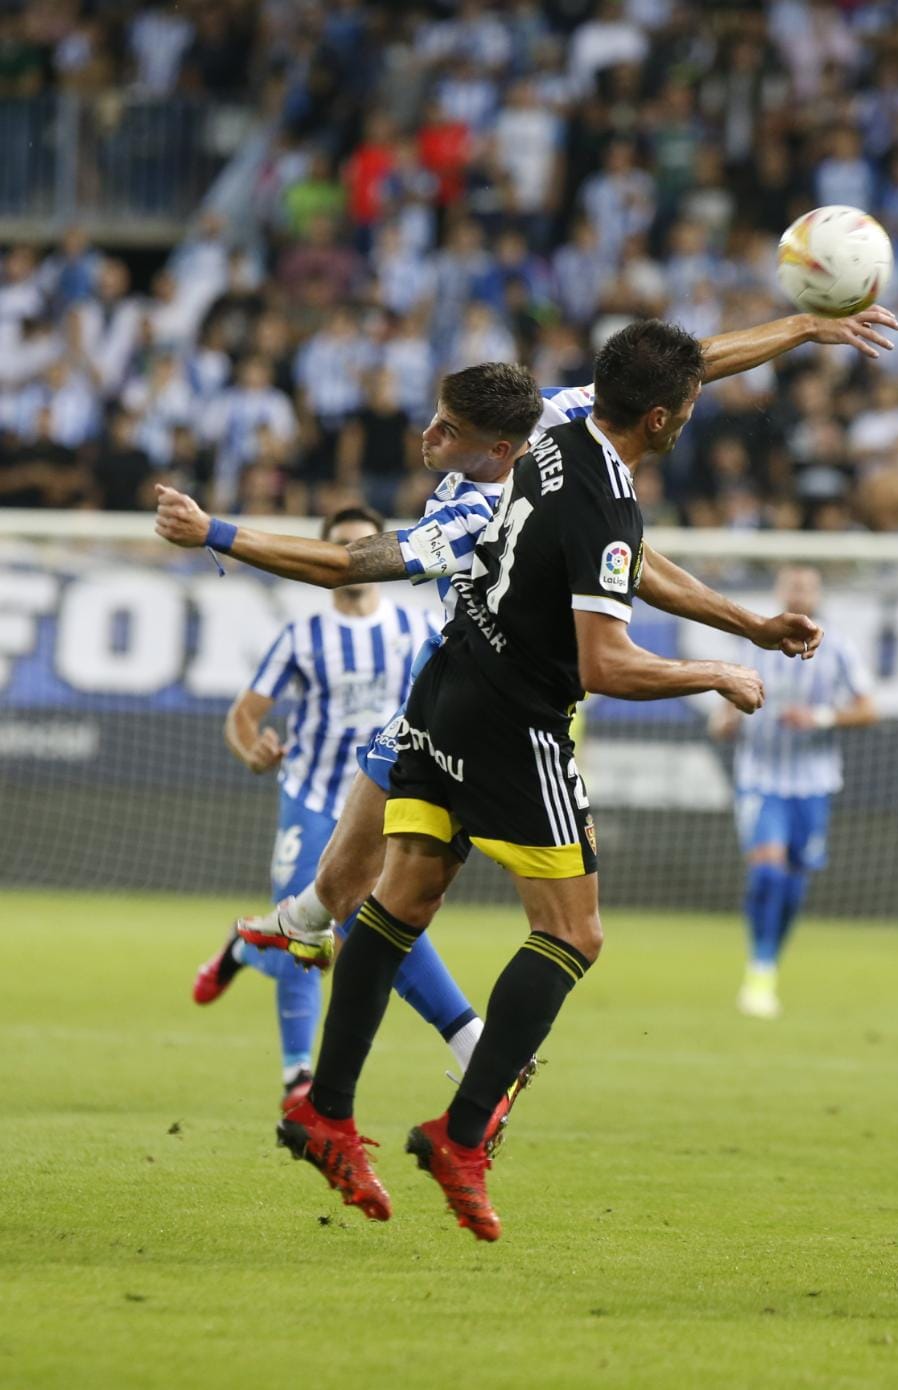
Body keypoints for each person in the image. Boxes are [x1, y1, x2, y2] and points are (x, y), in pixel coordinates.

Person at [269, 326, 822, 1240]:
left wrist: (803, 327)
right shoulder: (605, 496)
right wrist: (716, 669)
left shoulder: (554, 431)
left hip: (448, 684)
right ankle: (463, 1133)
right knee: (573, 932)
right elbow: (604, 662)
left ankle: (324, 1110)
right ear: (660, 419)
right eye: (682, 408)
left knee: (400, 897)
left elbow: (690, 380)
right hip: (515, 718)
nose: (689, 413)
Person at [153, 306, 898, 973]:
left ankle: (480, 1051)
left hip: (513, 707)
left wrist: (213, 531)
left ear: (501, 448)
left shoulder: (468, 517)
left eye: (449, 431)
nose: (427, 437)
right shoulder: (562, 424)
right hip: (452, 681)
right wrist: (801, 327)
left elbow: (345, 563)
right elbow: (685, 370)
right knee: (361, 890)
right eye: (435, 417)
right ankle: (324, 946)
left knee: (510, 921)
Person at [193, 505, 457, 1108]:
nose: (355, 556)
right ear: (327, 555)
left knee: (360, 932)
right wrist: (251, 750)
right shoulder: (302, 635)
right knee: (305, 934)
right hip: (310, 797)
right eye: (342, 546)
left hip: (382, 806)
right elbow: (243, 716)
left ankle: (240, 948)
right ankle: (297, 1078)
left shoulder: (414, 629)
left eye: (364, 544)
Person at [709, 565, 875, 1018]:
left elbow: (867, 709)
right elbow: (720, 712)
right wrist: (724, 721)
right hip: (760, 779)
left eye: (807, 586)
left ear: (817, 595)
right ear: (780, 593)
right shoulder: (750, 644)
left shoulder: (838, 647)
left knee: (794, 884)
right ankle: (759, 972)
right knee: (767, 873)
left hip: (814, 784)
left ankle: (769, 963)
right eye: (792, 586)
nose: (799, 594)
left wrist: (819, 718)